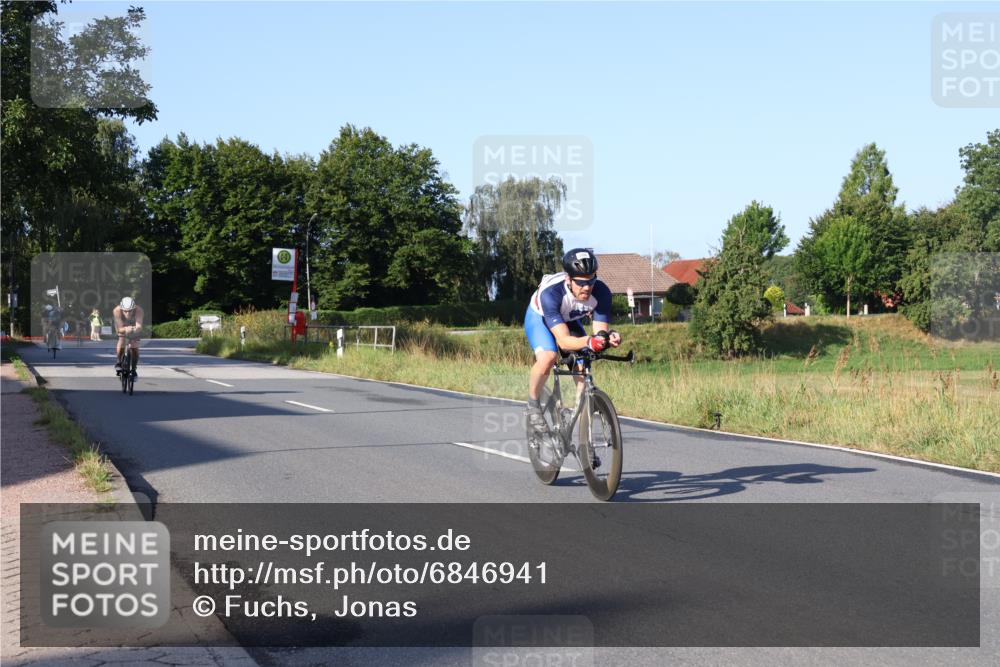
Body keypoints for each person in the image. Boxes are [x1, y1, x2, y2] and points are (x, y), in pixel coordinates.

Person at [523, 248, 622, 431]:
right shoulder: (551, 293)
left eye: (591, 281)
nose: (587, 287)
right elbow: (564, 342)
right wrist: (589, 341)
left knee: (582, 366)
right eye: (580, 282)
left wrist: (607, 338)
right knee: (548, 357)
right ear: (568, 279)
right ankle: (533, 404)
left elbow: (599, 333)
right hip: (540, 319)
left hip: (568, 319)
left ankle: (580, 426)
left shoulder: (601, 292)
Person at [113, 296, 144, 377]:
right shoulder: (117, 310)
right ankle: (119, 362)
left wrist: (134, 330)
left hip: (133, 327)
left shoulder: (139, 310)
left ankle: (134, 370)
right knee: (121, 339)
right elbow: (119, 329)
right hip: (122, 326)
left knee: (135, 348)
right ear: (121, 309)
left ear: (134, 308)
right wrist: (126, 329)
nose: (128, 313)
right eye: (125, 311)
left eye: (130, 311)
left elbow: (139, 326)